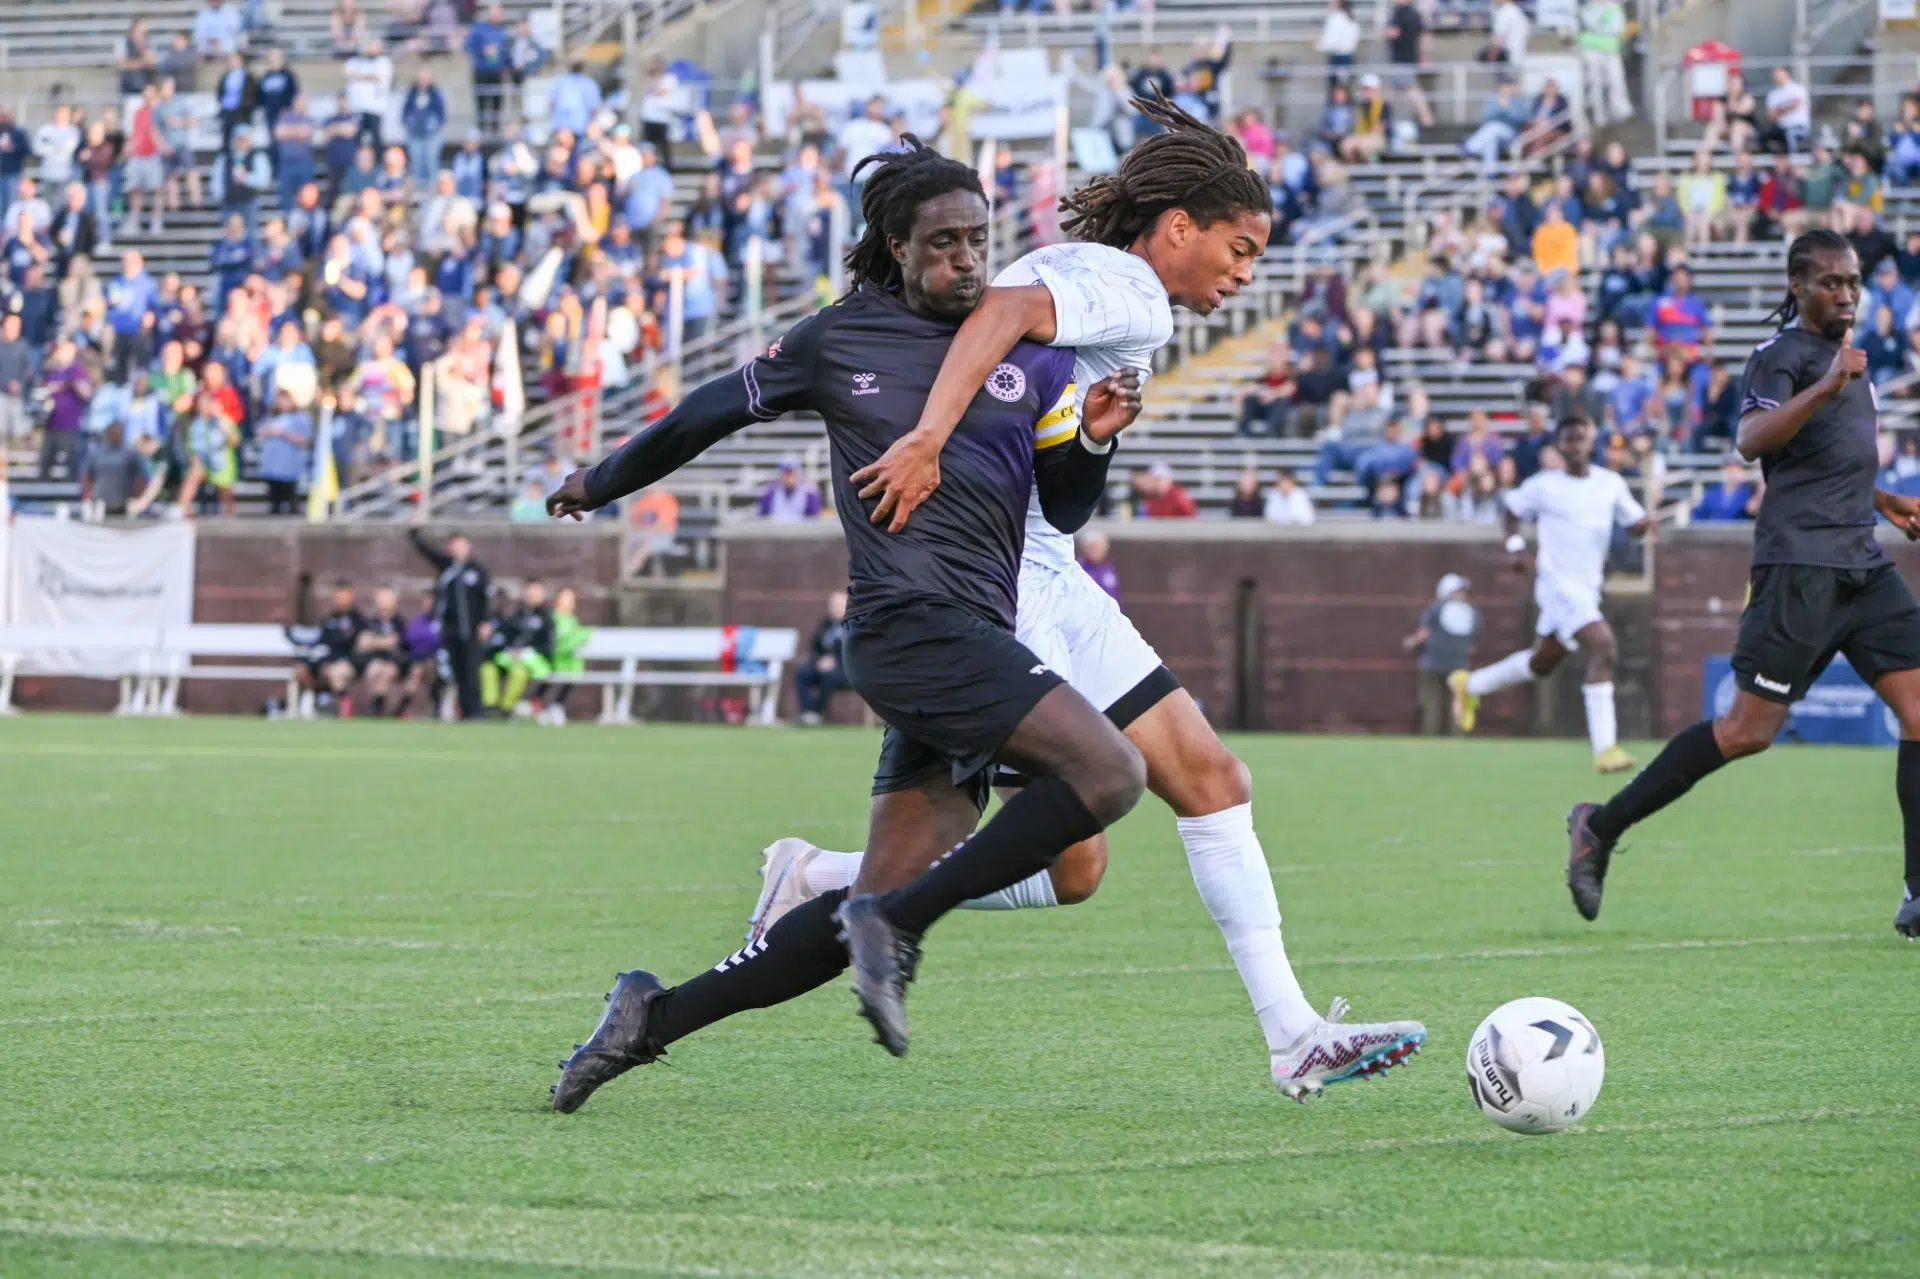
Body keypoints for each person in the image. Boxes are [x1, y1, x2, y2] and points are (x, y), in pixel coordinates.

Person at [765, 96, 1425, 1101]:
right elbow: (999, 313)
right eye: (1238, 249)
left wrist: (1091, 437)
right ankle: (829, 884)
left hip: (1052, 572)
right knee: (1090, 844)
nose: (1246, 275)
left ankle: (1293, 1034)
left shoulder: (1105, 287)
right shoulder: (1129, 292)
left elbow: (1048, 438)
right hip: (1005, 595)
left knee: (1201, 784)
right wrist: (931, 437)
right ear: (1177, 230)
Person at [543, 139, 1151, 1112]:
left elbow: (1065, 506)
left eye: (978, 241)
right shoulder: (839, 339)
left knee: (856, 914)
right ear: (896, 249)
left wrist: (1090, 438)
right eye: (942, 243)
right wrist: (596, 481)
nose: (965, 259)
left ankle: (648, 1018)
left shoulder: (1029, 359)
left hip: (971, 642)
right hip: (909, 630)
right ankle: (900, 922)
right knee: (1112, 772)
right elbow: (702, 415)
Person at [1566, 231, 1920, 937]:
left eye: (1852, 282)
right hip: (1798, 569)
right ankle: (1599, 826)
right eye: (1830, 283)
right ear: (1798, 287)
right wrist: (1827, 385)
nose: (1846, 293)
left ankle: (1918, 892)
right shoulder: (1782, 358)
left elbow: (1821, 460)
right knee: (1745, 732)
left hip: (1863, 562)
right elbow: (1754, 440)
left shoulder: (1850, 363)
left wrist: (1882, 500)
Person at [1449, 415, 1652, 771]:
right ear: (1559, 447)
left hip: (1588, 589)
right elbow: (1510, 511)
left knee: (1542, 662)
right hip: (1557, 586)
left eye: (1582, 438)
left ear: (1593, 443)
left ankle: (1470, 685)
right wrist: (1514, 547)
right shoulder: (1544, 486)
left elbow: (1634, 525)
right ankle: (1605, 749)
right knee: (1604, 647)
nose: (1576, 446)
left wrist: (1642, 527)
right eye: (1569, 440)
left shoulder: (1611, 484)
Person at [409, 527, 489, 719]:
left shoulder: (477, 571)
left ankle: (475, 710)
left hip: (470, 628)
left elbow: (484, 599)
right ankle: (461, 709)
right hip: (450, 628)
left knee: (471, 670)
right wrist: (415, 533)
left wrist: (485, 622)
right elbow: (425, 551)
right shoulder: (447, 567)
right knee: (455, 670)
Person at [1405, 573, 1477, 735]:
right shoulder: (1472, 611)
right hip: (1459, 664)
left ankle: (1431, 737)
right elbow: (1473, 645)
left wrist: (1410, 642)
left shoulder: (1436, 608)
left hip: (1433, 663)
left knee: (1431, 702)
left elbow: (1424, 633)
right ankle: (1457, 738)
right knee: (1457, 702)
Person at [484, 578, 554, 716]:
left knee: (518, 672)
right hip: (510, 656)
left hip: (533, 660)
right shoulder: (517, 614)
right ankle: (489, 706)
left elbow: (549, 644)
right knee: (488, 667)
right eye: (529, 591)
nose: (531, 594)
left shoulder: (546, 617)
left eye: (535, 591)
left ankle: (505, 708)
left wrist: (527, 652)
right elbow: (505, 636)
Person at [294, 581, 364, 717]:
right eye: (338, 595)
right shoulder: (329, 618)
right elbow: (320, 641)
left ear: (351, 596)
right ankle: (316, 700)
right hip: (327, 658)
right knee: (302, 669)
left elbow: (355, 645)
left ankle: (345, 704)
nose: (340, 598)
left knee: (336, 672)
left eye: (344, 595)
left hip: (347, 660)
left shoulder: (358, 619)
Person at [794, 589, 850, 725]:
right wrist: (817, 660)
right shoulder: (825, 625)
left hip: (845, 671)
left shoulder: (853, 627)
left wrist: (835, 661)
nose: (835, 608)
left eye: (839, 605)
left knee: (828, 676)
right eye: (833, 605)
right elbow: (814, 648)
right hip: (821, 667)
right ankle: (807, 713)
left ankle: (815, 712)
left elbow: (856, 652)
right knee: (802, 672)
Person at [353, 586, 409, 716]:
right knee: (374, 669)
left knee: (387, 671)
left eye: (388, 597)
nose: (384, 601)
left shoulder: (400, 622)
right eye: (381, 598)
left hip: (395, 662)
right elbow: (363, 643)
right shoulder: (369, 622)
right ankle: (377, 706)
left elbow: (397, 641)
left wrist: (375, 641)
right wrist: (385, 642)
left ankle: (385, 708)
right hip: (373, 661)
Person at [1577, 0, 1631, 127]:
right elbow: (1589, 23)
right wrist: (1604, 21)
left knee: (1616, 80)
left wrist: (1602, 23)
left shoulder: (1616, 8)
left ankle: (1619, 111)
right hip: (1591, 48)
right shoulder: (1588, 7)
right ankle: (1599, 115)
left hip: (1611, 49)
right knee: (1595, 82)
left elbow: (1618, 28)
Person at [81, 421, 148, 518]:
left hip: (123, 504)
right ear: (108, 433)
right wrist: (87, 494)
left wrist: (138, 499)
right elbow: (87, 475)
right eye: (114, 431)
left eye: (119, 432)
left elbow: (140, 478)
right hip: (100, 504)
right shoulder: (96, 453)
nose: (117, 434)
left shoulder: (130, 453)